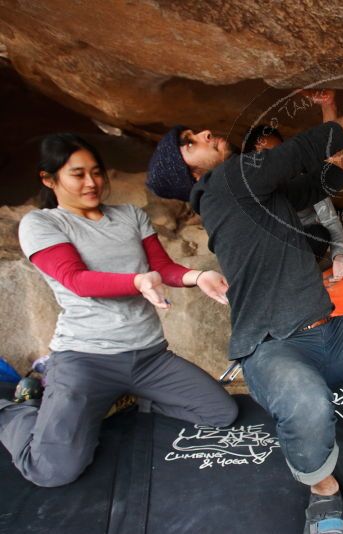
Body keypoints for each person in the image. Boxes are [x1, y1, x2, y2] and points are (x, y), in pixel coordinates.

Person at [147, 90, 343, 534]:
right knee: (306, 405)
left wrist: (330, 116)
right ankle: (323, 491)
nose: (203, 132)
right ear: (191, 171)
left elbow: (328, 180)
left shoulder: (252, 195)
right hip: (273, 348)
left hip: (329, 335)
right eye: (189, 141)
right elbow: (312, 145)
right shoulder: (224, 182)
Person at [0, 133, 238, 488]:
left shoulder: (129, 215)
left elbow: (163, 266)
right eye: (77, 174)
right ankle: (15, 410)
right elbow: (76, 279)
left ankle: (124, 400)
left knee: (221, 412)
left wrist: (198, 275)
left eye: (96, 172)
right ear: (49, 179)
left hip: (148, 357)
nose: (92, 182)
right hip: (85, 359)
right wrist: (138, 282)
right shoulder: (43, 224)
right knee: (52, 471)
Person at [244, 90, 343, 281]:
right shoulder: (247, 186)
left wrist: (339, 255)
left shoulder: (300, 179)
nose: (270, 159)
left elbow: (329, 219)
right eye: (263, 154)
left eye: (276, 152)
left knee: (319, 234)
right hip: (272, 248)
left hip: (301, 241)